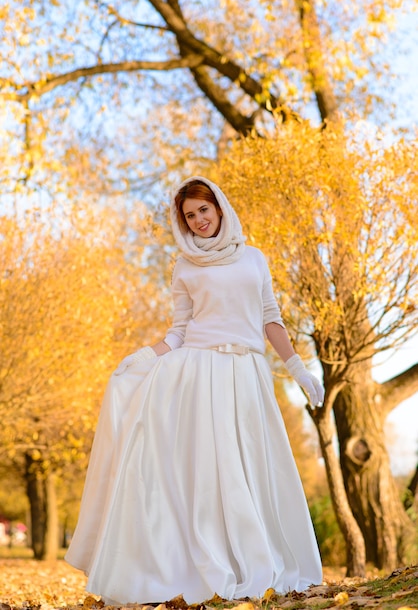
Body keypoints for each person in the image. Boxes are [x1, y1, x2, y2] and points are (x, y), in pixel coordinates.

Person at [65, 176, 324, 605]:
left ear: (219, 207)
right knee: (206, 475)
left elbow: (269, 317)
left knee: (250, 469)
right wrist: (146, 357)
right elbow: (180, 331)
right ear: (183, 222)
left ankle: (252, 563)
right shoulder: (184, 266)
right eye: (190, 215)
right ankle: (190, 566)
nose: (199, 220)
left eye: (204, 209)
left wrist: (299, 369)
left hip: (246, 375)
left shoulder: (254, 259)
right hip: (198, 374)